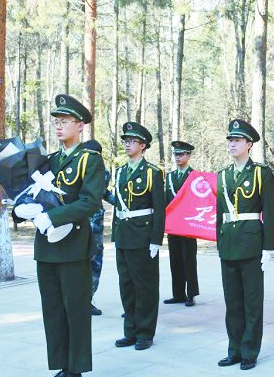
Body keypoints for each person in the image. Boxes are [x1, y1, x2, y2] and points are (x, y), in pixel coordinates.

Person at [15, 94, 105, 377]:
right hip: (46, 247)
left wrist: (51, 216)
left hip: (73, 247)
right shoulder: (48, 161)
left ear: (80, 126)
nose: (58, 126)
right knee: (53, 311)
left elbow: (90, 202)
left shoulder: (89, 160)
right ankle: (61, 365)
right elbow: (32, 193)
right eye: (56, 121)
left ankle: (74, 369)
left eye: (64, 121)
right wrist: (21, 209)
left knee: (75, 311)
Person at [216, 119, 274, 371]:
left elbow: (270, 212)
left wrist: (268, 247)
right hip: (229, 242)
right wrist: (219, 242)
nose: (232, 144)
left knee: (251, 302)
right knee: (233, 303)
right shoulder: (222, 175)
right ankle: (234, 350)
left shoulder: (261, 173)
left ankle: (249, 350)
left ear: (249, 144)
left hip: (251, 243)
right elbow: (219, 214)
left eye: (237, 140)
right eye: (230, 140)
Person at [113, 122, 165, 351]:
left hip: (143, 237)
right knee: (126, 286)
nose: (127, 144)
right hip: (123, 235)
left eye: (132, 141)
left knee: (145, 287)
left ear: (142, 145)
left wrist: (156, 240)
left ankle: (145, 332)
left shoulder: (153, 173)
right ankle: (130, 331)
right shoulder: (120, 172)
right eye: (125, 141)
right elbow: (118, 206)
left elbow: (160, 210)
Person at [164, 140, 200, 307]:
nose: (178, 157)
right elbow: (166, 200)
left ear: (188, 155)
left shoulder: (195, 176)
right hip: (173, 225)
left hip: (188, 225)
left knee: (189, 259)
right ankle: (177, 293)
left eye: (181, 154)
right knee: (175, 259)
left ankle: (191, 294)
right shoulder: (170, 176)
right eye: (175, 154)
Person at [82, 139, 115, 316]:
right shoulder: (73, 172)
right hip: (77, 224)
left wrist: (123, 203)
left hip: (95, 227)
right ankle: (77, 299)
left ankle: (88, 299)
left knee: (95, 262)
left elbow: (104, 193)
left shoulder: (104, 173)